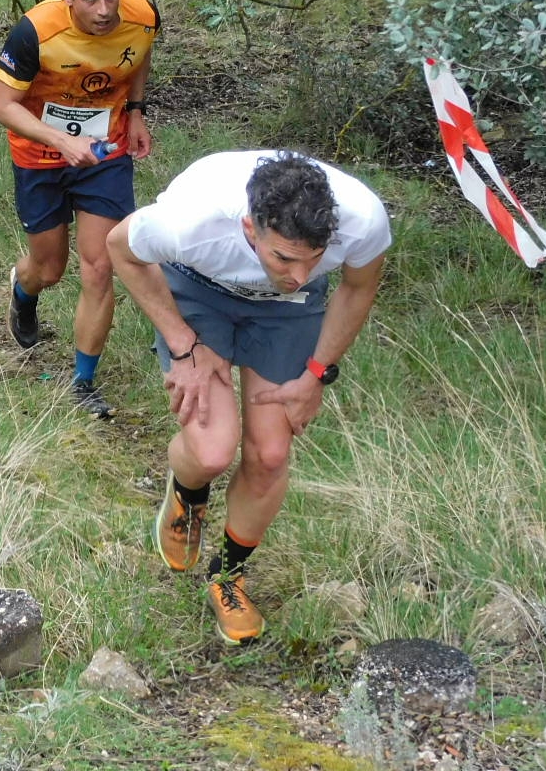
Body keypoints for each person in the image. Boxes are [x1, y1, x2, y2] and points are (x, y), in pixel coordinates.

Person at [107, 150, 390, 644]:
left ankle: (228, 579)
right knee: (212, 451)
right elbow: (119, 248)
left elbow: (357, 288)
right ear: (249, 228)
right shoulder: (192, 222)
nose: (300, 271)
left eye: (313, 258)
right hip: (198, 287)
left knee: (271, 453)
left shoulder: (361, 221)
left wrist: (317, 374)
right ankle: (187, 494)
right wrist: (183, 344)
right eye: (284, 257)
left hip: (288, 310)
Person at [0, 0, 158, 418]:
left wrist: (136, 111)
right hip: (39, 154)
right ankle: (23, 292)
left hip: (105, 153)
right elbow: (2, 106)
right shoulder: (35, 32)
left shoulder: (143, 17)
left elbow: (139, 56)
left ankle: (83, 382)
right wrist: (62, 142)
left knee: (100, 265)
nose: (104, 10)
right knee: (49, 269)